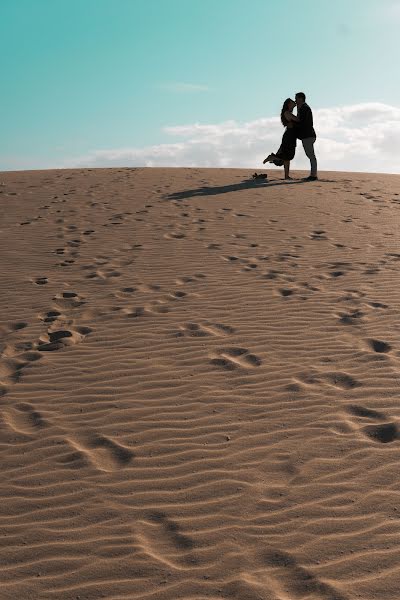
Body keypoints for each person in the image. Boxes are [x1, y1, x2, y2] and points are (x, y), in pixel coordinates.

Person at [263, 98, 298, 180]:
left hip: (291, 136)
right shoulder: (287, 113)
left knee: (288, 157)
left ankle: (286, 176)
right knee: (288, 156)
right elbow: (297, 119)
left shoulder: (289, 112)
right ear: (289, 104)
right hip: (289, 136)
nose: (294, 102)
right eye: (292, 102)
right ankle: (272, 157)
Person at [295, 92, 318, 181]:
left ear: (301, 99)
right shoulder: (303, 108)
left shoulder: (304, 108)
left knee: (311, 155)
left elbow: (301, 122)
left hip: (308, 135)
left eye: (296, 98)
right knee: (310, 155)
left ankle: (313, 175)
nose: (295, 100)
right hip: (308, 135)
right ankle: (313, 175)